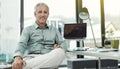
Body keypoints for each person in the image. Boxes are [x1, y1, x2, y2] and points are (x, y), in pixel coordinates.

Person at [12, 2, 67, 69]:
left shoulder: (54, 30)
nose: (43, 15)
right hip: (32, 57)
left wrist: (60, 46)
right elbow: (21, 44)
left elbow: (63, 43)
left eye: (45, 12)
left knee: (60, 52)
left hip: (49, 58)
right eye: (40, 12)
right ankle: (28, 65)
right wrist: (17, 57)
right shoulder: (27, 30)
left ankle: (25, 65)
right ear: (35, 14)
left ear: (48, 14)